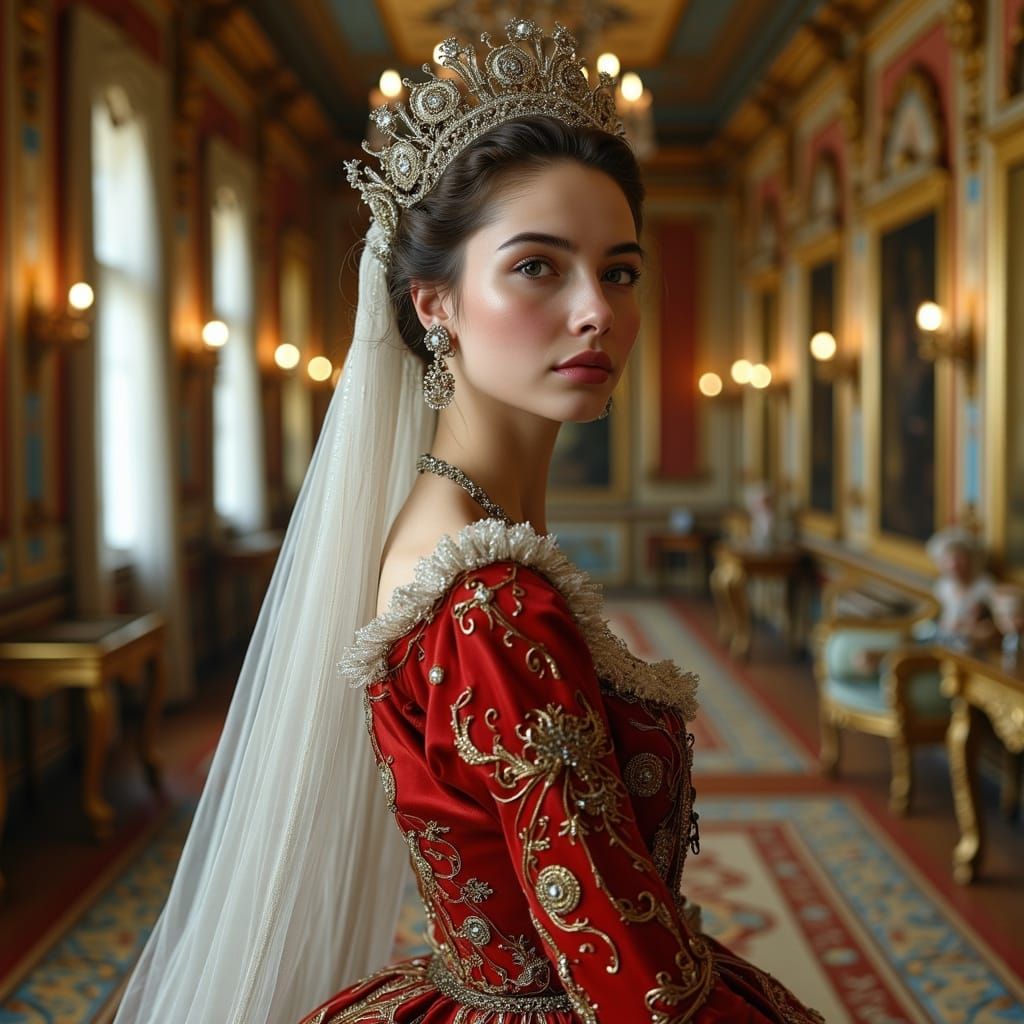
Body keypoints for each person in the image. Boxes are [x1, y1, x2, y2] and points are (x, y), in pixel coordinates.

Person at [114, 22, 823, 1024]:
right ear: (434, 301)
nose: (598, 311)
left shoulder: (464, 528)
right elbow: (632, 978)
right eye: (538, 266)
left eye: (619, 270)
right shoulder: (487, 596)